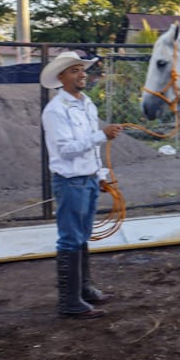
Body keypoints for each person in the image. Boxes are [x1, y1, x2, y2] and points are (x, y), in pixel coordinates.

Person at [40, 51, 122, 319]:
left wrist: (100, 175)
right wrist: (101, 135)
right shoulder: (56, 110)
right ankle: (70, 302)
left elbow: (91, 148)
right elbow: (66, 150)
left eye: (82, 69)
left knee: (82, 235)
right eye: (74, 70)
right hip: (70, 181)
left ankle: (83, 290)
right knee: (71, 238)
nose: (82, 74)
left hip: (87, 180)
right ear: (61, 77)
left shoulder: (87, 105)